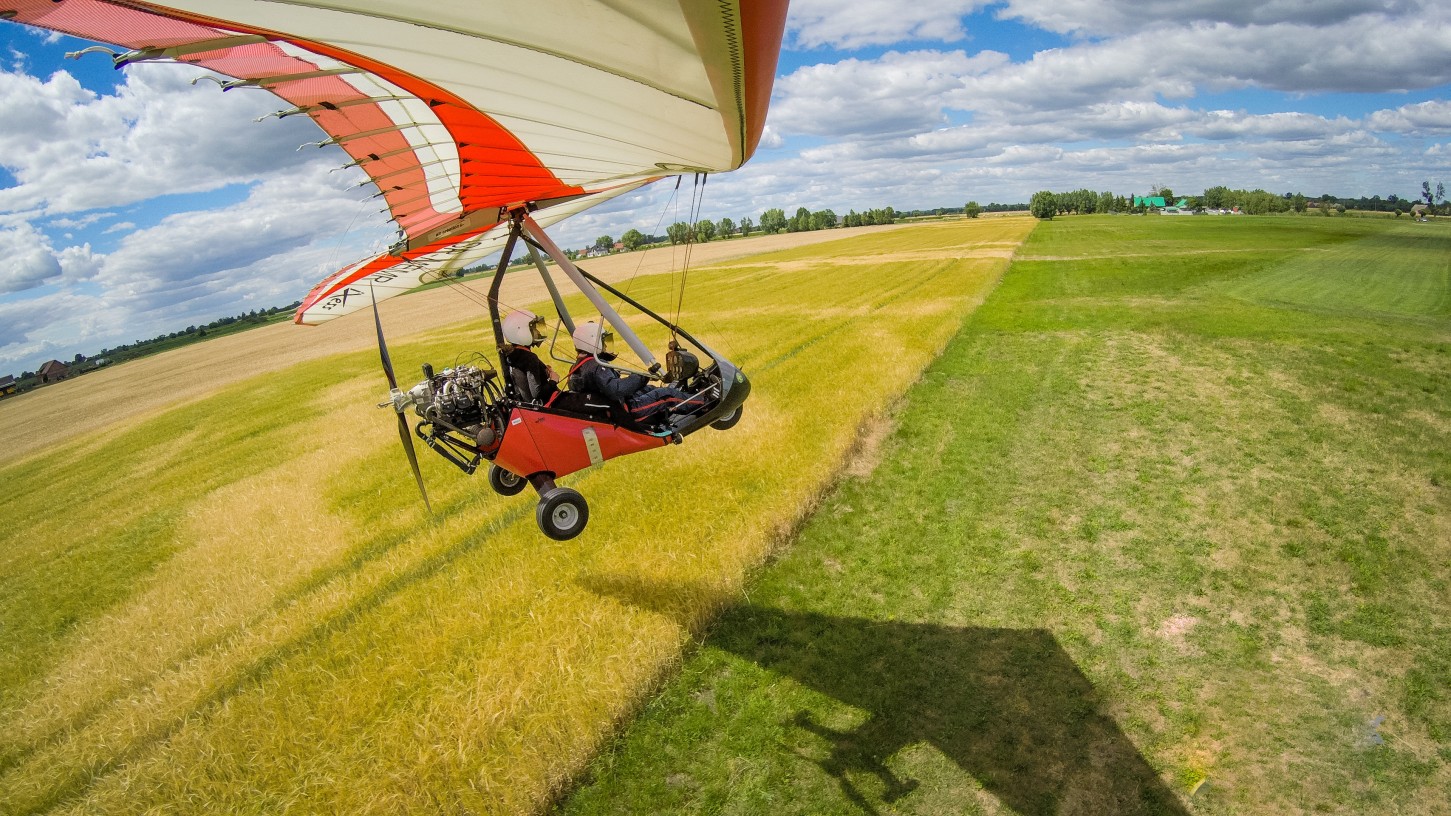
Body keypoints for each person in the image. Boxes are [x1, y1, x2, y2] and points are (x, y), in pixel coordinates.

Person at [568, 321, 705, 425]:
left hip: (613, 407)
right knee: (665, 395)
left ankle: (687, 397)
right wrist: (642, 377)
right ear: (592, 341)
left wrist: (642, 380)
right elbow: (616, 389)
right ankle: (703, 402)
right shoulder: (596, 366)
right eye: (603, 342)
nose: (605, 346)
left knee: (648, 389)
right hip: (627, 411)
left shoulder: (578, 367)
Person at [500, 310, 558, 403]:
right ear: (522, 331)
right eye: (534, 329)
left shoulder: (512, 356)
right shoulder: (529, 358)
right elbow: (537, 394)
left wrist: (543, 372)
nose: (538, 332)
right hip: (546, 408)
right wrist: (553, 381)